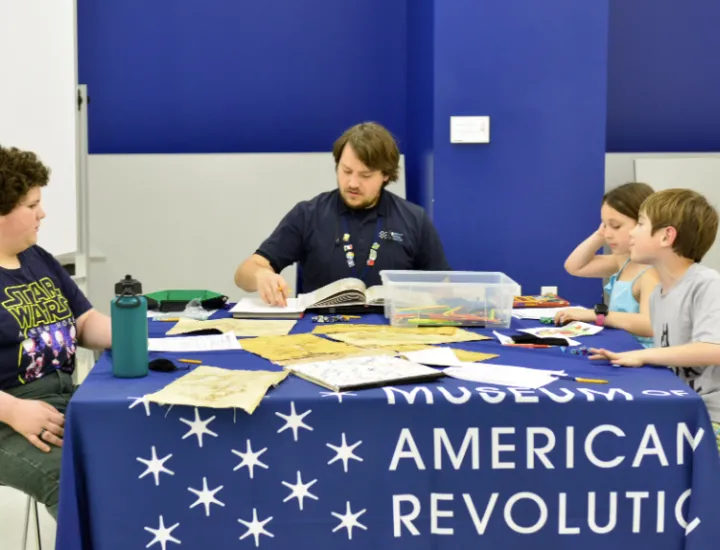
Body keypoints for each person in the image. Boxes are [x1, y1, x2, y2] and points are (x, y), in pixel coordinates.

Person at [0, 145, 112, 519]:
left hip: (63, 402)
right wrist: (13, 410)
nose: (42, 213)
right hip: (10, 418)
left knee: (134, 444)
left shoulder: (37, 257)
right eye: (31, 206)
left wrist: (140, 335)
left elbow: (83, 322)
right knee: (74, 481)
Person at [234, 122, 450, 305]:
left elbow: (443, 288)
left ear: (386, 175)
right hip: (319, 334)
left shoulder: (414, 219)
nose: (352, 183)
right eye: (346, 171)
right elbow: (244, 274)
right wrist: (261, 275)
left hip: (391, 334)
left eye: (365, 175)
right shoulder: (308, 214)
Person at [588, 188, 720, 452]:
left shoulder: (707, 284)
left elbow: (713, 349)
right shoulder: (658, 296)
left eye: (640, 224)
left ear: (667, 236)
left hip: (709, 418)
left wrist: (643, 356)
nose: (633, 233)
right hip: (679, 405)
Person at [554, 182, 659, 347]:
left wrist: (594, 315)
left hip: (642, 356)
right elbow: (574, 266)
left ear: (644, 224)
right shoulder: (624, 260)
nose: (608, 234)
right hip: (621, 347)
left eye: (616, 226)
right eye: (604, 225)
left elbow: (650, 325)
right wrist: (600, 234)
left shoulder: (651, 272)